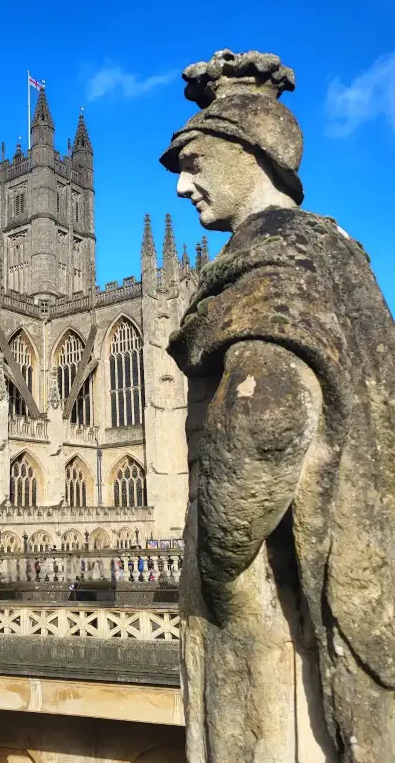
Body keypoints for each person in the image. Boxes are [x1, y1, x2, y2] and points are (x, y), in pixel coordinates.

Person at [160, 49, 395, 763]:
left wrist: (221, 561)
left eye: (193, 161)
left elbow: (266, 426)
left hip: (273, 607)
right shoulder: (340, 254)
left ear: (248, 150)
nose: (181, 186)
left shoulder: (272, 263)